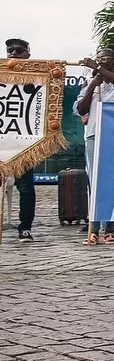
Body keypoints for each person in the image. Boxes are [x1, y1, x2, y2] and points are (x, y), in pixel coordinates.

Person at [75, 44, 114, 245]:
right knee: (94, 182)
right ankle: (94, 228)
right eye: (98, 58)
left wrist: (99, 70)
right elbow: (81, 109)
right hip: (93, 135)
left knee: (111, 181)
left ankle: (110, 228)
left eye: (104, 59)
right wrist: (93, 84)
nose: (99, 61)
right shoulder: (90, 82)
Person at [4, 38, 37, 242]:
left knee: (25, 188)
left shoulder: (38, 76)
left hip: (24, 141)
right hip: (3, 137)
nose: (14, 54)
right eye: (10, 51)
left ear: (27, 54)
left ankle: (25, 227)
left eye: (18, 50)